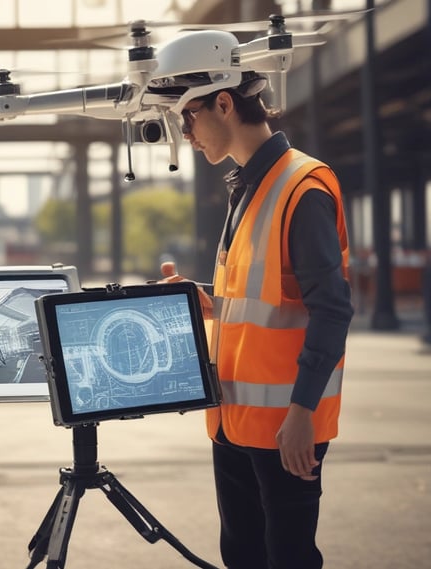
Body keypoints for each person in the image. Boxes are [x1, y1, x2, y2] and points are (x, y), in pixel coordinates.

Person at [161, 72, 354, 569]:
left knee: (288, 558)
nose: (186, 133)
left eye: (188, 117)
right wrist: (204, 299)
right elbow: (264, 298)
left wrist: (302, 415)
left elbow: (331, 309)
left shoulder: (301, 188)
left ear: (223, 103)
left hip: (285, 428)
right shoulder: (248, 186)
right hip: (233, 422)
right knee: (242, 556)